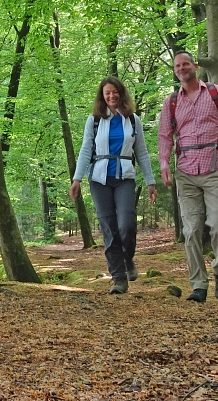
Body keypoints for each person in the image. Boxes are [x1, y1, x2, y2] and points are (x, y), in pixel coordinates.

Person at [158, 51, 218, 303]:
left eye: (185, 63)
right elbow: (165, 135)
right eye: (177, 65)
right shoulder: (171, 102)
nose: (182, 68)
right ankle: (198, 284)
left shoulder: (215, 93)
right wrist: (164, 163)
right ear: (175, 71)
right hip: (185, 172)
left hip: (214, 168)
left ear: (195, 66)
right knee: (191, 230)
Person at [70, 76, 157, 294]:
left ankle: (128, 259)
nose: (111, 96)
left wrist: (150, 182)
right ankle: (118, 277)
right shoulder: (95, 120)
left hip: (125, 177)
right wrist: (77, 179)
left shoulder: (133, 120)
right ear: (102, 96)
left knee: (126, 223)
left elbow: (142, 153)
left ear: (121, 93)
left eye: (115, 92)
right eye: (107, 93)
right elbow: (85, 150)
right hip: (99, 179)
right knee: (109, 228)